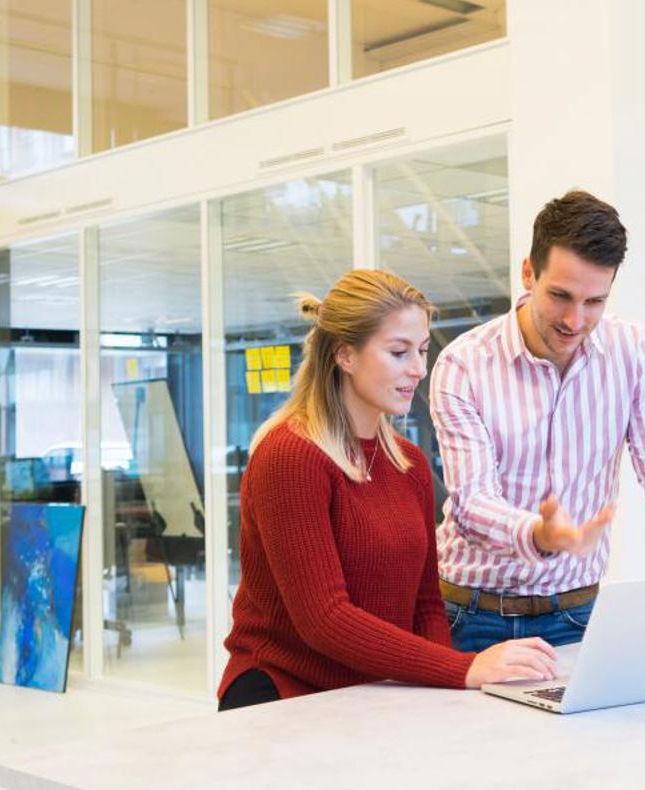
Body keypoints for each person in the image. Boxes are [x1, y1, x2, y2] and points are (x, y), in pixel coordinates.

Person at [216, 270, 557, 711]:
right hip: (285, 694)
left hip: (375, 693)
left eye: (422, 350)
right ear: (345, 355)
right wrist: (463, 668)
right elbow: (324, 619)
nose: (418, 369)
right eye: (399, 352)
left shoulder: (409, 464)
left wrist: (446, 690)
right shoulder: (290, 455)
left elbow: (426, 606)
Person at [431, 190, 645, 654]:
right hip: (469, 616)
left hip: (576, 613)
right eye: (560, 296)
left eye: (594, 301)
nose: (574, 319)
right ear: (528, 273)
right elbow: (472, 503)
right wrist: (537, 534)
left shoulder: (632, 352)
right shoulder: (463, 365)